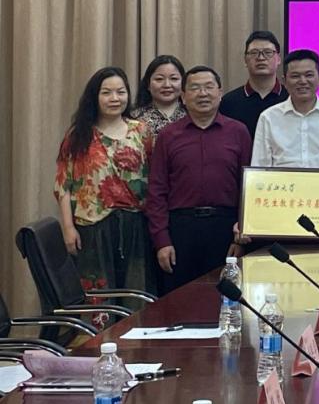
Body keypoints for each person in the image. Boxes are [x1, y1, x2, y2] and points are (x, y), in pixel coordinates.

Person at [145, 66, 252, 294]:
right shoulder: (168, 135)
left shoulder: (238, 132)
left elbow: (248, 188)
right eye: (194, 88)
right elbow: (157, 191)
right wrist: (162, 241)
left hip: (225, 229)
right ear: (183, 96)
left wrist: (240, 237)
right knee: (179, 300)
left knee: (223, 300)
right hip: (181, 230)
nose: (202, 93)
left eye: (209, 87)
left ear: (220, 93)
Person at [54, 67, 156, 299]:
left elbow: (154, 177)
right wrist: (68, 228)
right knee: (98, 294)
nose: (114, 98)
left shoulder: (141, 131)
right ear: (95, 96)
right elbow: (63, 185)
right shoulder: (78, 135)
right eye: (106, 92)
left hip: (135, 225)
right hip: (92, 226)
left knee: (136, 292)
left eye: (121, 92)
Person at [251, 49, 319, 199]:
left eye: (309, 75)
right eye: (295, 76)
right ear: (284, 81)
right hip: (282, 200)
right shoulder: (268, 117)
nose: (302, 81)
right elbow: (259, 169)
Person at [219, 30, 288, 139]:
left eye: (268, 52)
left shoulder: (290, 98)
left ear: (279, 59)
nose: (261, 58)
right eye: (254, 53)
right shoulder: (228, 102)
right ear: (245, 60)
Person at [130, 55, 187, 136]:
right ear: (148, 84)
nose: (167, 85)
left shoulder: (193, 116)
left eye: (174, 79)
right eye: (159, 79)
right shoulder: (133, 118)